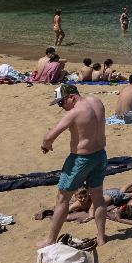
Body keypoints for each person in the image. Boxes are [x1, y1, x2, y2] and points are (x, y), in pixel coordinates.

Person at [37, 84, 108, 248]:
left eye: (61, 103)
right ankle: (101, 238)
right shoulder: (97, 102)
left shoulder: (75, 112)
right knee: (98, 197)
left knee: (62, 199)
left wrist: (46, 145)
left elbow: (49, 136)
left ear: (71, 97)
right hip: (100, 155)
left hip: (80, 159)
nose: (61, 107)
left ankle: (50, 239)